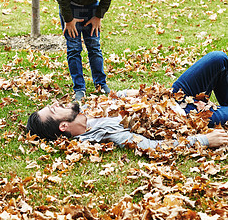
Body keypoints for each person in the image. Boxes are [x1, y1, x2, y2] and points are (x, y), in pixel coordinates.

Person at [26, 51, 228, 150]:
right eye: (52, 110)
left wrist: (127, 94)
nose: (54, 104)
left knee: (218, 58)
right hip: (188, 117)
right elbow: (151, 146)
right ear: (63, 126)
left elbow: (115, 98)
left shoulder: (86, 109)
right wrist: (204, 140)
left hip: (172, 96)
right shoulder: (106, 133)